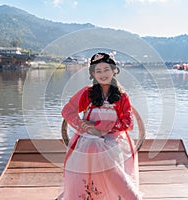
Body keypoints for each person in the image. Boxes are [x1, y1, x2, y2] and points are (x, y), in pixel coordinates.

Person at [60, 52, 142, 199]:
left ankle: (125, 193)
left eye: (106, 70)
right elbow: (68, 110)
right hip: (89, 137)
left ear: (113, 70)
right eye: (98, 71)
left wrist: (100, 126)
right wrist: (85, 126)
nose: (103, 74)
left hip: (114, 139)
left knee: (97, 147)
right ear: (93, 74)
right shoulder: (88, 93)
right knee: (92, 144)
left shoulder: (122, 96)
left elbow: (128, 123)